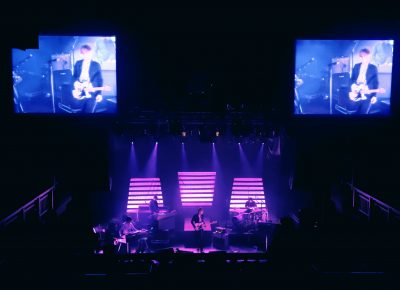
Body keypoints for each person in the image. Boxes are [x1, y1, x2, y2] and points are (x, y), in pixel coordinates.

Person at [72, 44, 103, 113]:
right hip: (79, 90)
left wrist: (99, 93)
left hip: (91, 92)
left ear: (91, 53)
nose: (86, 55)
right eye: (84, 53)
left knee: (88, 112)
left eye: (88, 53)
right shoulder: (78, 63)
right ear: (82, 54)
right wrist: (75, 83)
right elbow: (74, 76)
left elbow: (100, 80)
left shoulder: (96, 65)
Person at [348, 48, 379, 114]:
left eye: (368, 57)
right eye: (364, 57)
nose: (366, 59)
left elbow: (376, 83)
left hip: (367, 93)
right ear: (361, 57)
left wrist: (374, 95)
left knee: (363, 113)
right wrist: (352, 87)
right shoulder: (356, 66)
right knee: (353, 113)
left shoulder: (373, 67)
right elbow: (351, 79)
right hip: (356, 92)